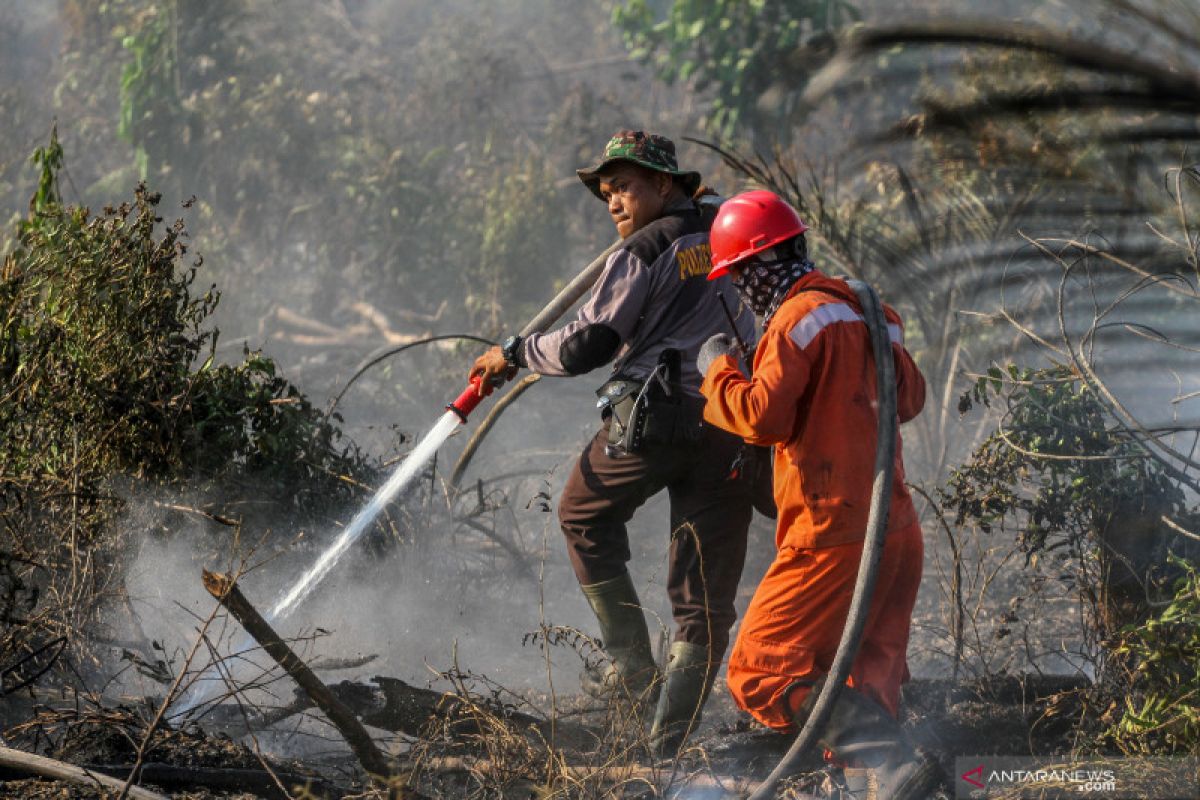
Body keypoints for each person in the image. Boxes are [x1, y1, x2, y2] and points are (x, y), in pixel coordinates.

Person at [470, 130, 758, 754]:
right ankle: (667, 748)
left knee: (581, 513)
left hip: (654, 420)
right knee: (703, 590)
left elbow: (586, 346)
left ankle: (631, 669)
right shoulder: (727, 226)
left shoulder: (642, 250)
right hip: (735, 419)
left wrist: (517, 352)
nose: (613, 203)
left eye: (624, 186)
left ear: (664, 183)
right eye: (606, 194)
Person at [695, 190, 941, 798]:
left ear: (755, 268)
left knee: (759, 668)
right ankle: (894, 782)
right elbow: (910, 400)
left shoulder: (796, 319)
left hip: (833, 535)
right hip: (897, 531)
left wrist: (718, 371)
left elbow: (762, 417)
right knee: (865, 680)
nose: (742, 291)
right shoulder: (872, 311)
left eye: (739, 276)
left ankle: (890, 760)